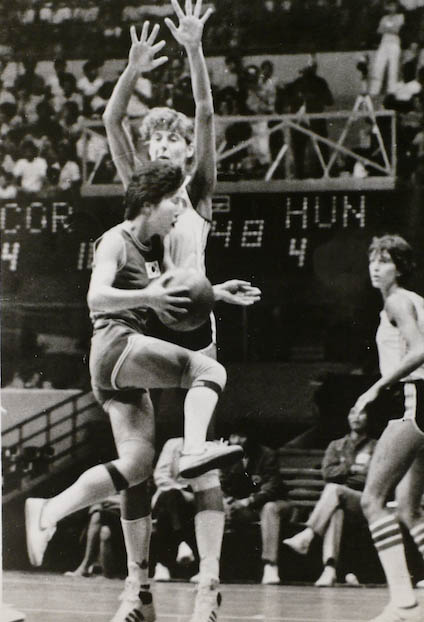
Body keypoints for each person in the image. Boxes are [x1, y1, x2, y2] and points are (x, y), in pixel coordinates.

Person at [25, 158, 256, 622]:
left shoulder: (156, 246)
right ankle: (194, 450)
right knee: (208, 371)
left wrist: (214, 292)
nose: (179, 209)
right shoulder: (115, 239)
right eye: (173, 201)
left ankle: (48, 510)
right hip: (116, 347)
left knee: (136, 466)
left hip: (118, 372)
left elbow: (173, 291)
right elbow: (96, 296)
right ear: (149, 203)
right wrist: (146, 297)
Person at [103, 2, 261, 620]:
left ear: (187, 149)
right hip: (143, 327)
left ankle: (208, 585)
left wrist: (194, 48)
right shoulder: (139, 191)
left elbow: (207, 110)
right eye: (157, 138)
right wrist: (132, 68)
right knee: (137, 463)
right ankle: (137, 588)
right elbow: (112, 117)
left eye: (174, 138)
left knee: (201, 463)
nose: (164, 144)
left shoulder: (197, 191)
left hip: (194, 332)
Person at [352, 234, 424, 622]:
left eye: (385, 261)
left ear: (401, 267)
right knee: (409, 510)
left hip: (415, 399)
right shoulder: (415, 300)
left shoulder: (398, 301)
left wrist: (375, 389)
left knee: (372, 500)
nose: (376, 267)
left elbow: (420, 350)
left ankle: (403, 602)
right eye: (372, 260)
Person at [283, 407, 377, 586]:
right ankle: (330, 569)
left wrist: (343, 471)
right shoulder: (336, 445)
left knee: (334, 489)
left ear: (368, 418)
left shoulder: (376, 446)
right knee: (336, 511)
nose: (356, 417)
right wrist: (352, 468)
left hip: (364, 502)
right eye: (352, 412)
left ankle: (308, 534)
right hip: (338, 503)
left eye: (362, 413)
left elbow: (371, 477)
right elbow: (327, 473)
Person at [219, 418, 291, 585]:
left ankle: (270, 565)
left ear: (251, 438)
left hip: (276, 504)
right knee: (218, 508)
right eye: (233, 436)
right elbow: (223, 485)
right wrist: (227, 500)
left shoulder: (267, 455)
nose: (237, 441)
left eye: (242, 436)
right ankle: (210, 567)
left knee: (269, 508)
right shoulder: (228, 456)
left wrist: (247, 501)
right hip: (245, 509)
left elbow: (271, 488)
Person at [151, 437, 197, 581]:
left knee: (165, 515)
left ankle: (162, 565)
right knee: (172, 496)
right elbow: (160, 475)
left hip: (195, 498)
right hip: (168, 494)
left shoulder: (209, 445)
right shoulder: (173, 444)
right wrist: (180, 491)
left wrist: (192, 495)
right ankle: (182, 542)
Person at [65, 494, 123, 578]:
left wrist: (107, 499)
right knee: (104, 530)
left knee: (97, 516)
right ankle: (105, 572)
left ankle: (85, 565)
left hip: (126, 516)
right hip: (108, 514)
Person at [370, 1, 404, 97]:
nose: (391, 8)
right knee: (378, 66)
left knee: (393, 68)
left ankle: (392, 91)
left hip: (394, 44)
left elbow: (396, 30)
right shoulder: (384, 18)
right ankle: (374, 91)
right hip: (384, 44)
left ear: (397, 7)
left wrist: (386, 28)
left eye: (393, 6)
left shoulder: (400, 17)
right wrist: (389, 28)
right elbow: (379, 30)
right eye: (390, 6)